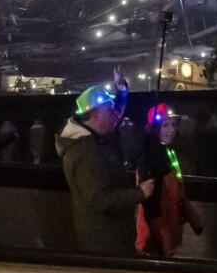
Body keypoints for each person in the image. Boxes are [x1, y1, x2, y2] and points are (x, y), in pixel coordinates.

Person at [57, 78, 156, 256]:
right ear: (95, 116)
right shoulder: (86, 153)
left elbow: (115, 114)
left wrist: (122, 92)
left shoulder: (92, 135)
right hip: (106, 244)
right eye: (109, 111)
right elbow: (100, 199)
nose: (115, 115)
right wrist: (140, 193)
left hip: (108, 238)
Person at [136, 103, 203, 256]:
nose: (171, 130)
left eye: (173, 124)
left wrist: (194, 219)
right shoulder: (152, 158)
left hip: (168, 232)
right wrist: (165, 244)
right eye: (165, 125)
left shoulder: (167, 151)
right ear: (154, 129)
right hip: (152, 242)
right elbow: (151, 209)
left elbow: (177, 190)